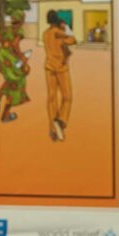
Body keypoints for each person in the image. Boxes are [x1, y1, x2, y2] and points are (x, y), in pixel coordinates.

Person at [0, 11, 30, 123]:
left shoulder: (5, 29)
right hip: (9, 59)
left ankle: (5, 114)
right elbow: (15, 45)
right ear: (22, 20)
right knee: (18, 79)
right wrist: (22, 58)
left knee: (14, 81)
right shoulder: (19, 30)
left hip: (1, 57)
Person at [42, 9, 76, 141]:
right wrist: (66, 27)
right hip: (61, 68)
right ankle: (61, 120)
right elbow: (73, 40)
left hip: (49, 67)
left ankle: (52, 130)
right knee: (67, 97)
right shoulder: (58, 33)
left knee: (51, 98)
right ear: (57, 20)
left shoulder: (46, 33)